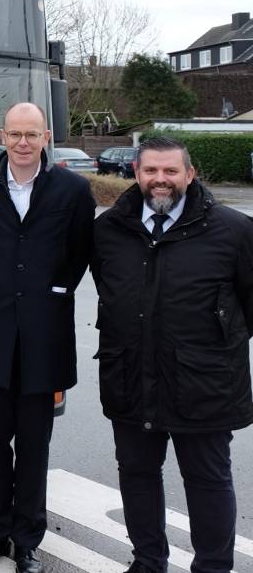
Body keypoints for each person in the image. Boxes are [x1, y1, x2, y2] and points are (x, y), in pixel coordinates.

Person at [91, 137, 253, 573]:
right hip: (129, 376)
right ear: (136, 174)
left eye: (170, 172)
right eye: (150, 172)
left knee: (208, 480)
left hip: (205, 384)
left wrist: (209, 350)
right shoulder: (109, 230)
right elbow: (109, 291)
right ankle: (148, 562)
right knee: (137, 476)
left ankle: (214, 567)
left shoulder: (234, 230)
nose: (160, 180)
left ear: (189, 175)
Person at [0, 102, 94, 573]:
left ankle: (28, 538)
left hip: (43, 335)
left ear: (47, 138)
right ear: (2, 136)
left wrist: (48, 292)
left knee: (35, 445)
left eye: (32, 135)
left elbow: (77, 257)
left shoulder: (72, 189)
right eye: (15, 134)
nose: (23, 143)